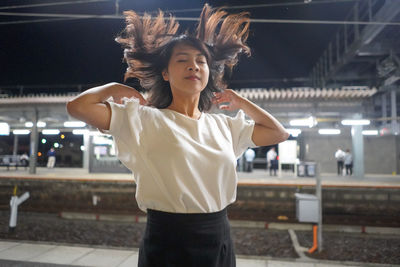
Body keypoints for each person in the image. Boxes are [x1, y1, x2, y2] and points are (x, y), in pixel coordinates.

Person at [66, 4, 289, 267]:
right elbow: (77, 107)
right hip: (168, 238)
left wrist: (242, 103)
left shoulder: (224, 127)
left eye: (201, 61)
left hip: (218, 234)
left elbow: (279, 133)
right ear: (165, 73)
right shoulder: (142, 119)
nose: (193, 66)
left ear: (209, 73)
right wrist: (115, 87)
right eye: (182, 60)